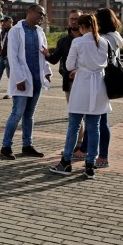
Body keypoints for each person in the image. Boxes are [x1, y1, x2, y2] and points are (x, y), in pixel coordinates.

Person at [49, 14, 110, 179]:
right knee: (94, 127)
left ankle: (66, 162)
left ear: (82, 27)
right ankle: (90, 164)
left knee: (74, 126)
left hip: (82, 84)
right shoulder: (104, 42)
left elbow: (68, 65)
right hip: (98, 86)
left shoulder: (78, 41)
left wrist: (78, 69)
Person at [0, 4, 52, 159]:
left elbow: (44, 53)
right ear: (29, 12)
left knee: (29, 115)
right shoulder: (16, 31)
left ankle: (27, 145)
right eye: (39, 13)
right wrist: (19, 78)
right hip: (22, 80)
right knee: (17, 114)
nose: (41, 17)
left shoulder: (39, 32)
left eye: (43, 15)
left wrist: (47, 71)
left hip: (36, 79)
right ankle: (6, 146)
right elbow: (13, 57)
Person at [75, 8, 123, 168]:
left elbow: (97, 61)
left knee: (100, 121)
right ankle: (85, 150)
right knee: (94, 118)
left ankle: (102, 157)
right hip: (102, 81)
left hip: (99, 82)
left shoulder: (105, 39)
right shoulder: (114, 37)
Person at [41, 10, 84, 151]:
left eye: (77, 18)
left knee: (88, 115)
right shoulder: (64, 41)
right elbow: (54, 59)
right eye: (72, 19)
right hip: (70, 82)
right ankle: (78, 144)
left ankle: (83, 144)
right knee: (74, 113)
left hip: (87, 81)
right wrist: (47, 54)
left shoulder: (88, 40)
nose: (74, 21)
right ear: (68, 21)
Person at [0, 16, 13, 99]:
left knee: (10, 76)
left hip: (8, 57)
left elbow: (14, 46)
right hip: (1, 56)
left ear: (10, 22)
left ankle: (10, 93)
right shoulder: (3, 31)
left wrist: (10, 55)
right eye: (3, 22)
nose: (3, 23)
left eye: (5, 21)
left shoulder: (14, 32)